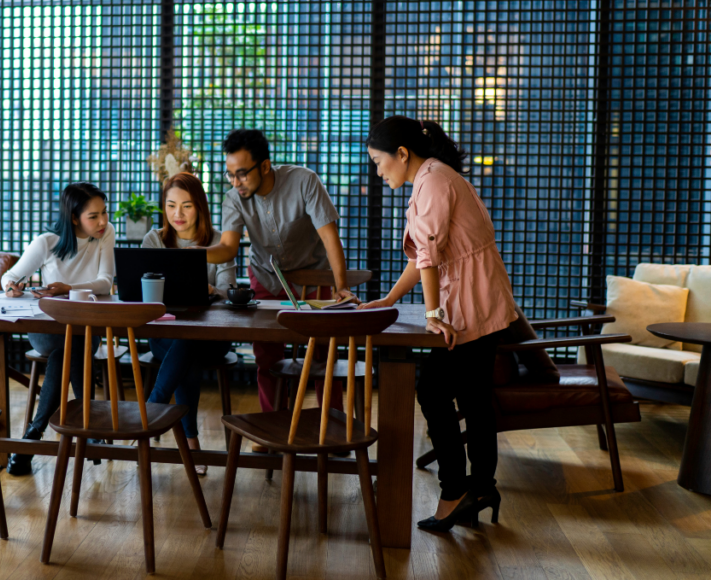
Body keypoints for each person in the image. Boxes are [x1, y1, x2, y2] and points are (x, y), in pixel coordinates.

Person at [362, 115, 518, 533]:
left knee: (432, 390)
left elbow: (428, 256)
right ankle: (481, 488)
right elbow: (422, 257)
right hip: (481, 300)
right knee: (472, 399)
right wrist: (392, 298)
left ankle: (456, 492)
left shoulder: (432, 181)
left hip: (473, 303)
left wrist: (433, 316)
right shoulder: (433, 176)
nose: (378, 172)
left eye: (379, 162)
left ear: (402, 154)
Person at [200, 129, 353, 433]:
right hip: (267, 278)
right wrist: (193, 255)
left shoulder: (304, 180)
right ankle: (273, 427)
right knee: (267, 355)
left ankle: (331, 426)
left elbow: (329, 237)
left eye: (241, 174)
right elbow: (229, 247)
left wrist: (341, 286)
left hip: (313, 275)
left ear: (265, 166)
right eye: (230, 174)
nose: (235, 182)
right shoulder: (234, 199)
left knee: (323, 355)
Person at [3, 182, 114, 476]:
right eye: (94, 216)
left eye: (104, 212)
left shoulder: (105, 235)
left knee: (69, 349)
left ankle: (31, 436)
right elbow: (10, 276)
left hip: (85, 329)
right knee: (69, 346)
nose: (103, 221)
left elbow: (106, 283)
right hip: (47, 329)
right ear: (74, 218)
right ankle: (88, 429)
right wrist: (12, 287)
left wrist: (69, 288)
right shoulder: (47, 242)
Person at [141, 173, 234, 474]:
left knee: (190, 338)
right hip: (165, 336)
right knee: (185, 341)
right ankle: (191, 442)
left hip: (212, 337)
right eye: (170, 206)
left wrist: (212, 291)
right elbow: (141, 293)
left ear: (201, 207)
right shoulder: (154, 240)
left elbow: (229, 290)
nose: (177, 214)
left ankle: (154, 408)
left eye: (186, 206)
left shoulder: (220, 241)